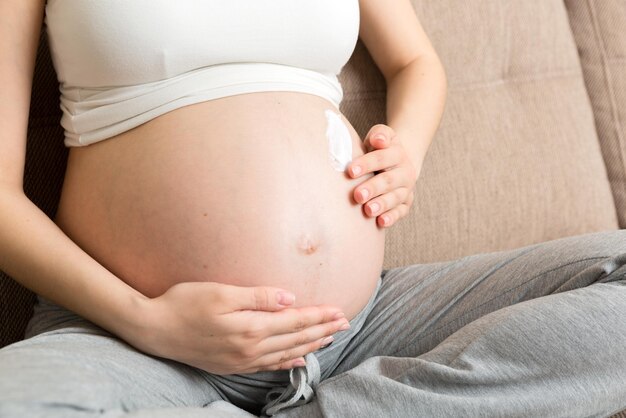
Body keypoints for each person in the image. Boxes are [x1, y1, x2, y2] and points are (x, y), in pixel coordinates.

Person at [1, 0, 625, 417]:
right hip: (136, 341)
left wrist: (406, 150)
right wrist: (147, 321)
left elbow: (416, 62)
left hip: (357, 327)